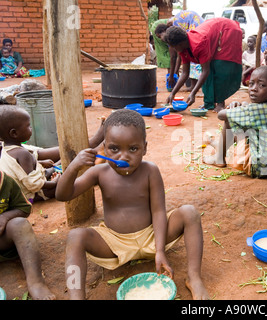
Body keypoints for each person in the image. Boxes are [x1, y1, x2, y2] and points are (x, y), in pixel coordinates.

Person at [55, 109, 209, 300]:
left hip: (152, 236)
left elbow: (159, 210)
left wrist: (160, 250)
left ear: (145, 148)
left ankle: (194, 278)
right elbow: (62, 195)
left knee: (189, 213)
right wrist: (73, 167)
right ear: (104, 147)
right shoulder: (99, 173)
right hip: (114, 243)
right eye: (114, 149)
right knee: (75, 236)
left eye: (133, 149)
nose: (123, 156)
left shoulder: (150, 171)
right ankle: (76, 296)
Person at [0, 106, 105, 203]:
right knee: (67, 184)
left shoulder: (7, 149)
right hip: (29, 196)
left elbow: (19, 169)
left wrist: (41, 163)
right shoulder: (22, 153)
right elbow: (34, 185)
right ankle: (92, 164)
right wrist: (54, 182)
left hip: (24, 186)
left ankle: (69, 162)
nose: (31, 129)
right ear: (14, 133)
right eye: (28, 126)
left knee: (58, 165)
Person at [203, 66, 267, 178]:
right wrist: (240, 106)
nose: (254, 89)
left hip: (259, 168)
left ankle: (219, 157)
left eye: (261, 85)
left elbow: (221, 115)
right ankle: (219, 145)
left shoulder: (255, 111)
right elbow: (249, 111)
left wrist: (231, 109)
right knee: (239, 118)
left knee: (229, 119)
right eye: (251, 84)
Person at [164, 18, 243, 113]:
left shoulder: (199, 44)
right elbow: (185, 73)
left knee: (219, 66)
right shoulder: (183, 48)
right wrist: (173, 93)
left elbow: (205, 71)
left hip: (227, 30)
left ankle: (220, 103)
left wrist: (193, 93)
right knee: (209, 67)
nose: (173, 49)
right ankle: (209, 103)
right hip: (213, 32)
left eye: (173, 46)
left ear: (180, 44)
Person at [0, 170, 56, 300]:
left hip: (2, 240)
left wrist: (4, 217)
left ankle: (36, 283)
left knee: (20, 225)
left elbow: (24, 208)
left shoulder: (7, 182)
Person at [157, 10, 204, 92]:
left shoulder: (172, 34)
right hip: (195, 21)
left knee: (192, 51)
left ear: (164, 31)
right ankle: (194, 85)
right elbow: (179, 55)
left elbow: (174, 57)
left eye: (159, 36)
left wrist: (172, 76)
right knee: (188, 52)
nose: (160, 39)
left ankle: (194, 86)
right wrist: (174, 74)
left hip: (195, 24)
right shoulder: (173, 30)